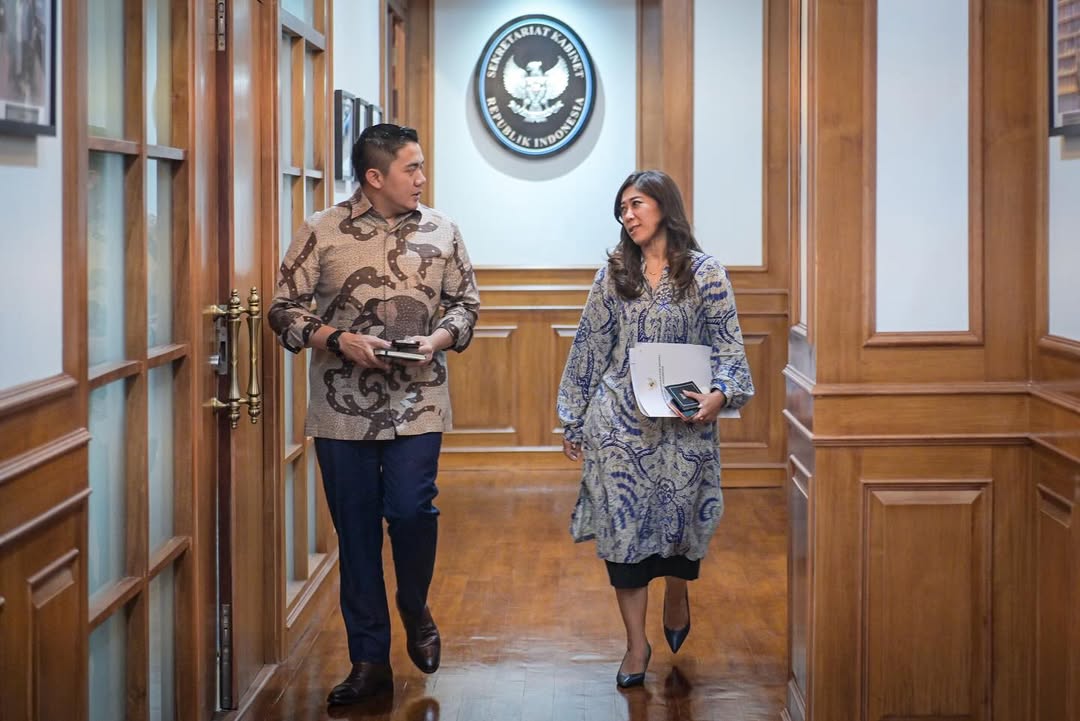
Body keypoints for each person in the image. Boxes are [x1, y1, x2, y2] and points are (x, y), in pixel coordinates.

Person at [268, 123, 480, 706]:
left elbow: (466, 305)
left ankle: (414, 603)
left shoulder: (443, 229)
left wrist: (438, 339)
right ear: (374, 177)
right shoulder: (321, 231)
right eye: (412, 168)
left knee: (412, 511)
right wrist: (339, 339)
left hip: (419, 403)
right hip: (340, 412)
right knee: (357, 536)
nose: (422, 178)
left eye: (421, 166)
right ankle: (368, 663)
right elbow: (283, 310)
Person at [556, 169, 754, 688]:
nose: (628, 215)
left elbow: (730, 349)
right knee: (622, 532)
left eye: (637, 203)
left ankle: (678, 589)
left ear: (665, 206)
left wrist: (720, 395)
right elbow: (589, 347)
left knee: (680, 527)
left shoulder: (707, 273)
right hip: (619, 425)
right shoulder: (614, 274)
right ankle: (635, 645)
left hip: (685, 426)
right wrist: (572, 417)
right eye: (622, 208)